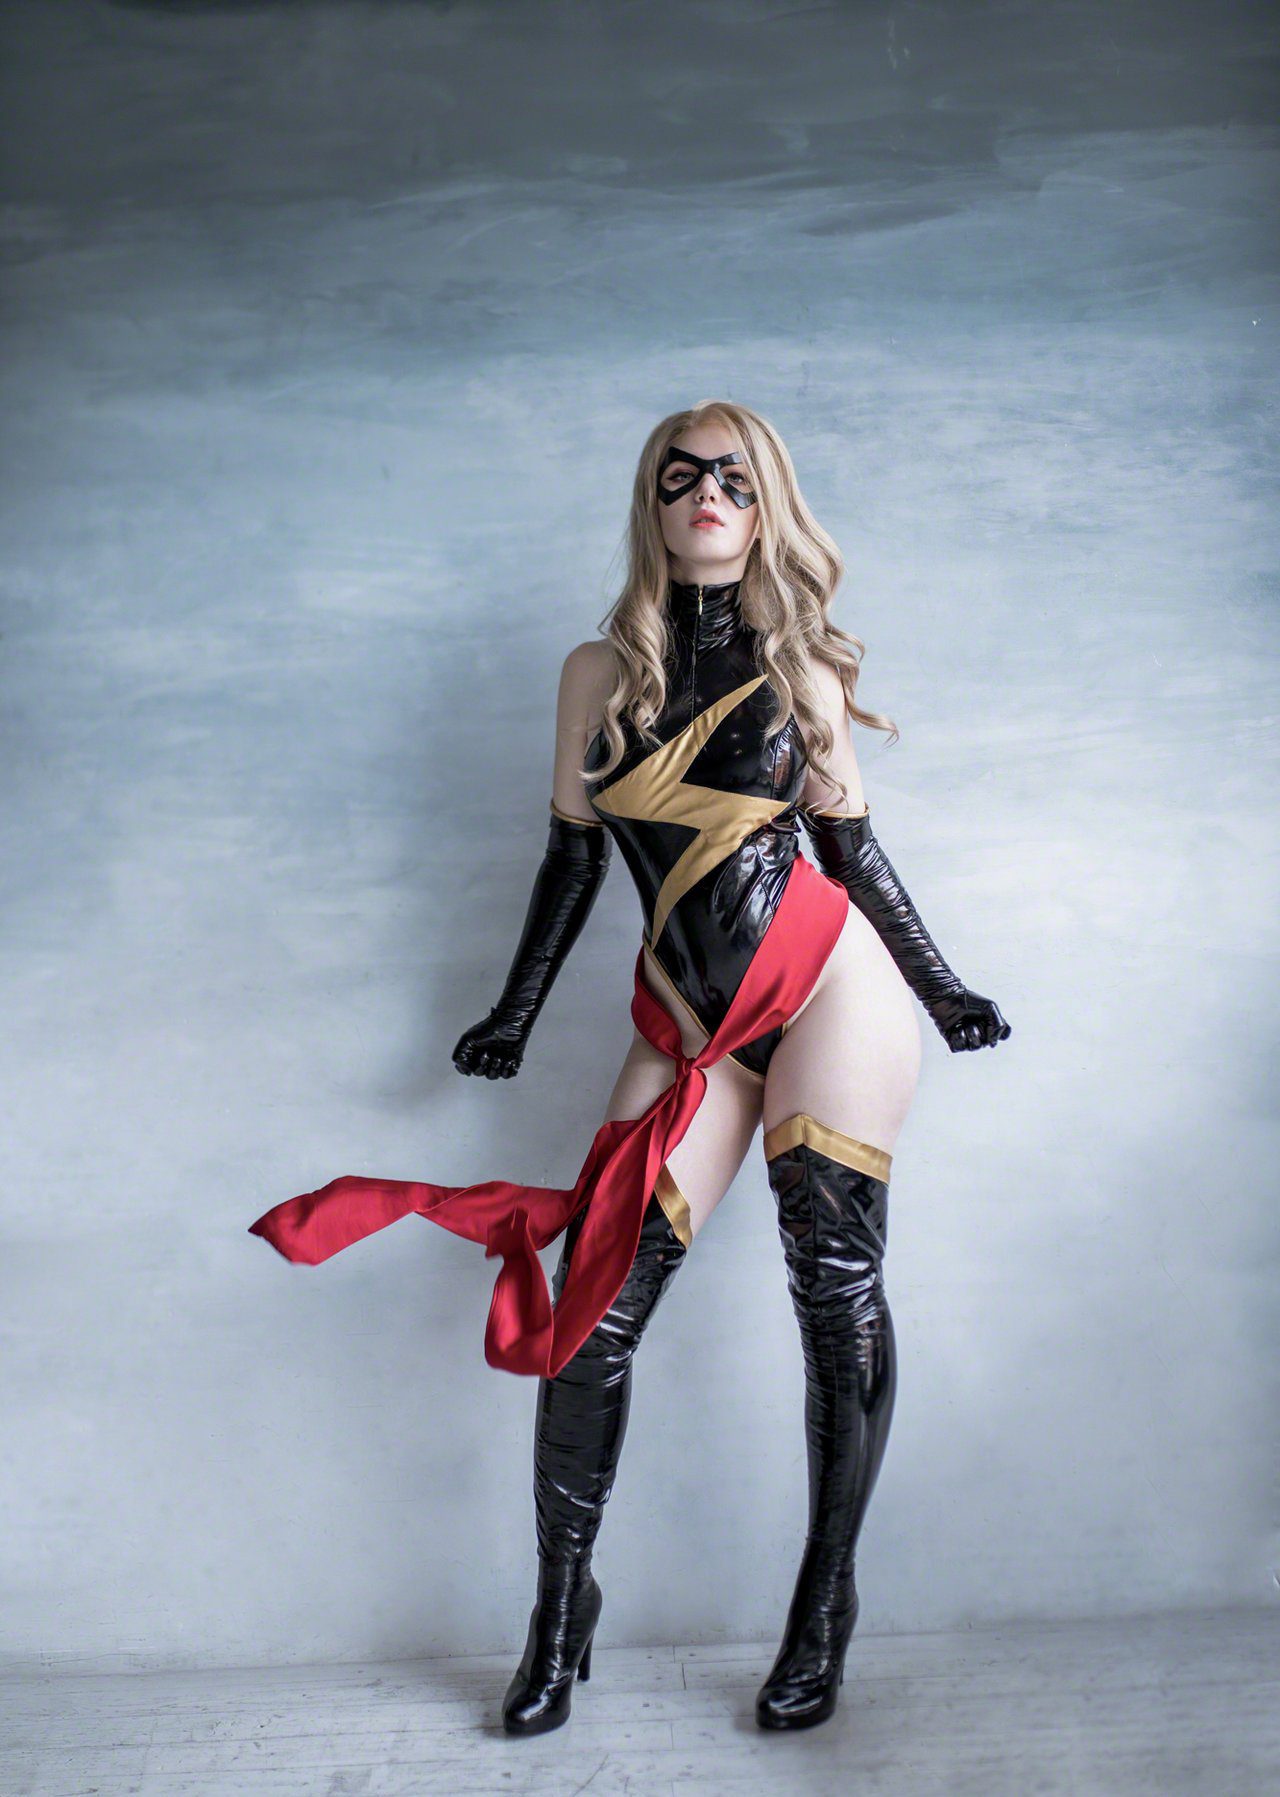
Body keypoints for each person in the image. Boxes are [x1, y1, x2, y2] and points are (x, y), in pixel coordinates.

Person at [248, 399, 1011, 1736]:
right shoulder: (597, 675)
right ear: (652, 503)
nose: (709, 493)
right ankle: (561, 1611)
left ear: (767, 507)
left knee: (830, 1288)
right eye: (683, 474)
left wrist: (943, 988)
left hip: (827, 992)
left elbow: (854, 853)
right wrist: (513, 1011)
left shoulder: (801, 667)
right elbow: (572, 857)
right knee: (591, 1317)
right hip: (685, 1020)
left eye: (736, 478)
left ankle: (824, 1603)